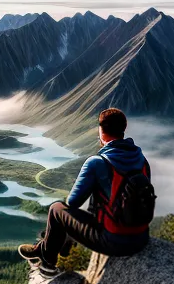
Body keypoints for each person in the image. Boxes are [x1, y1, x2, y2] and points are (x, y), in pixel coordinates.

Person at [19, 108, 153, 275]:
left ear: (101, 132)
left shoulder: (97, 162)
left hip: (112, 241)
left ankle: (47, 263)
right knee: (81, 215)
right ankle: (53, 249)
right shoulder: (142, 160)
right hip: (141, 238)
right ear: (123, 130)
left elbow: (73, 202)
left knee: (57, 209)